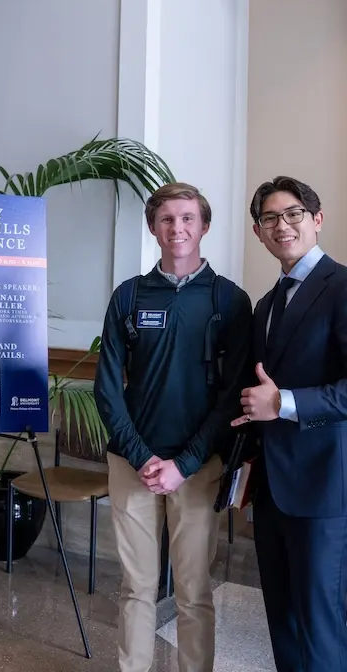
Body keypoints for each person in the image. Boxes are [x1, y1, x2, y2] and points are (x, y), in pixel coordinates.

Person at [94, 182, 252, 672]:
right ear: (153, 229)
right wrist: (142, 457)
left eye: (187, 218)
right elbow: (106, 391)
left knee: (194, 592)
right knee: (136, 588)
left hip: (198, 468)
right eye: (167, 219)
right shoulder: (129, 296)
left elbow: (231, 398)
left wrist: (183, 464)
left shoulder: (229, 300)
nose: (177, 228)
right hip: (132, 467)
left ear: (204, 226)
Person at [232, 176, 347, 670]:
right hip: (273, 489)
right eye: (270, 218)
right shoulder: (266, 304)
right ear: (258, 232)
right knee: (282, 619)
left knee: (322, 624)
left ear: (316, 220)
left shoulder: (341, 287)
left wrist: (285, 403)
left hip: (323, 489)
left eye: (293, 213)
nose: (283, 225)